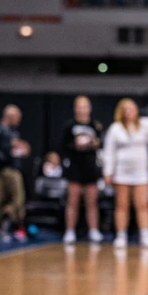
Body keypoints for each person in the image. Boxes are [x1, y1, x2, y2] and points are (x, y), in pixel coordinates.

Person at [103, 98, 148, 249]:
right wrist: (108, 172)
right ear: (121, 112)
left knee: (142, 205)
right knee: (122, 205)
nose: (130, 112)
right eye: (126, 109)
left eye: (132, 108)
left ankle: (145, 235)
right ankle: (121, 235)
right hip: (121, 173)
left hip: (141, 173)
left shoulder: (144, 125)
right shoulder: (115, 128)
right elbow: (109, 151)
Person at [61, 96, 103, 245]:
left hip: (90, 167)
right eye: (80, 106)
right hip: (75, 167)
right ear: (75, 108)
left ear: (89, 108)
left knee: (92, 201)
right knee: (73, 201)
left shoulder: (95, 125)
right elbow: (63, 146)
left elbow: (100, 143)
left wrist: (93, 142)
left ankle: (93, 230)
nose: (83, 109)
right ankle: (70, 231)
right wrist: (76, 144)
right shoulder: (69, 126)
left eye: (85, 106)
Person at [0, 105, 30, 240]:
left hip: (9, 168)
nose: (18, 121)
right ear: (10, 116)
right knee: (17, 198)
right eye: (17, 118)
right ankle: (4, 221)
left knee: (1, 197)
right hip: (6, 169)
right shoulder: (0, 131)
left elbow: (22, 148)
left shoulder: (12, 131)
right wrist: (11, 153)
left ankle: (0, 223)